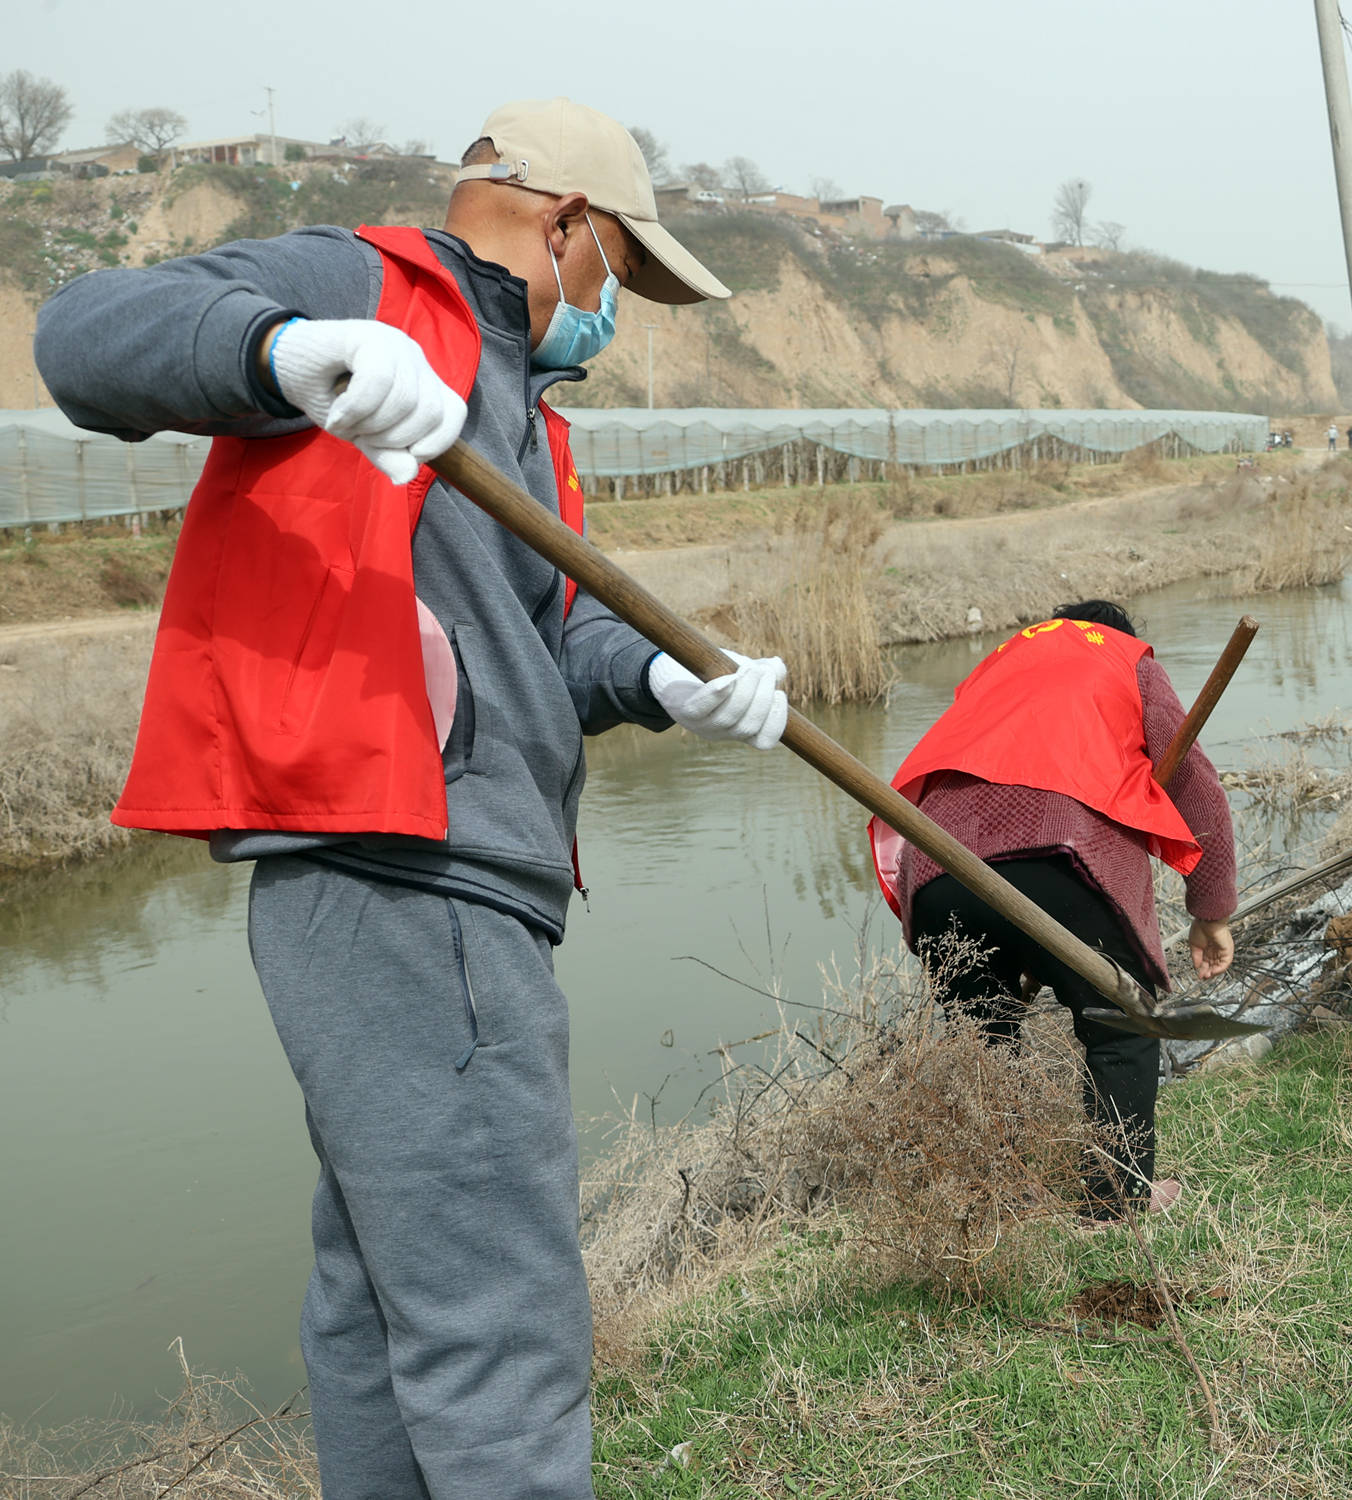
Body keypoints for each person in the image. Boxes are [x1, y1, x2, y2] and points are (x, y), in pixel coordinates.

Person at [35, 98, 792, 1498]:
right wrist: (282, 351)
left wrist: (672, 680)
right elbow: (82, 336)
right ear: (566, 225)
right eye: (621, 268)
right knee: (499, 1312)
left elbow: (545, 653)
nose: (615, 306)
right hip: (409, 864)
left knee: (384, 1294)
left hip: (422, 877)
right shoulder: (368, 291)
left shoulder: (520, 412)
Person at [871, 601, 1237, 1221]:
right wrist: (1211, 909)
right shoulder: (1123, 656)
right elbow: (1195, 783)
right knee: (1121, 1022)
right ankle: (1118, 1199)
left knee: (983, 1038)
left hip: (936, 872)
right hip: (1061, 857)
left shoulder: (997, 665)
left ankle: (996, 1197)